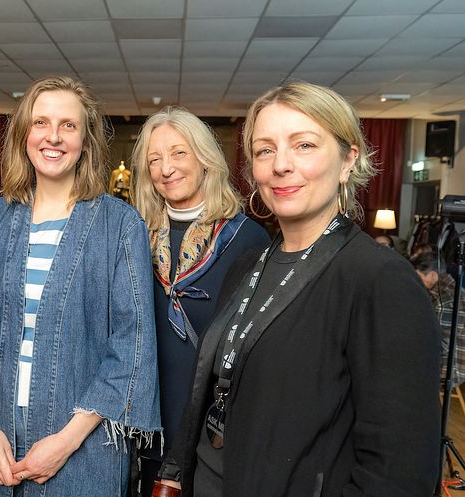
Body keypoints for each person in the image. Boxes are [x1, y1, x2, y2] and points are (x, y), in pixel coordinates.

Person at [159, 81, 440, 497]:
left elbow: (398, 474)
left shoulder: (379, 280)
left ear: (348, 160)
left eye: (304, 145)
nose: (281, 165)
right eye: (265, 150)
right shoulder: (248, 264)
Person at [0, 75, 161, 497]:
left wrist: (65, 442)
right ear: (24, 134)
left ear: (86, 140)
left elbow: (131, 347)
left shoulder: (120, 226)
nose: (54, 137)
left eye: (69, 125)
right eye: (41, 122)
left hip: (82, 451)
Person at [130, 106, 269, 496]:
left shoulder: (247, 240)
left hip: (211, 430)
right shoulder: (134, 235)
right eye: (153, 159)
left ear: (204, 158)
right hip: (142, 424)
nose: (165, 168)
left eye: (178, 153)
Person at [412, 251, 465, 385]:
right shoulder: (452, 287)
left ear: (433, 275)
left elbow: (439, 348)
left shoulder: (443, 301)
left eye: (418, 277)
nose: (416, 282)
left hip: (448, 370)